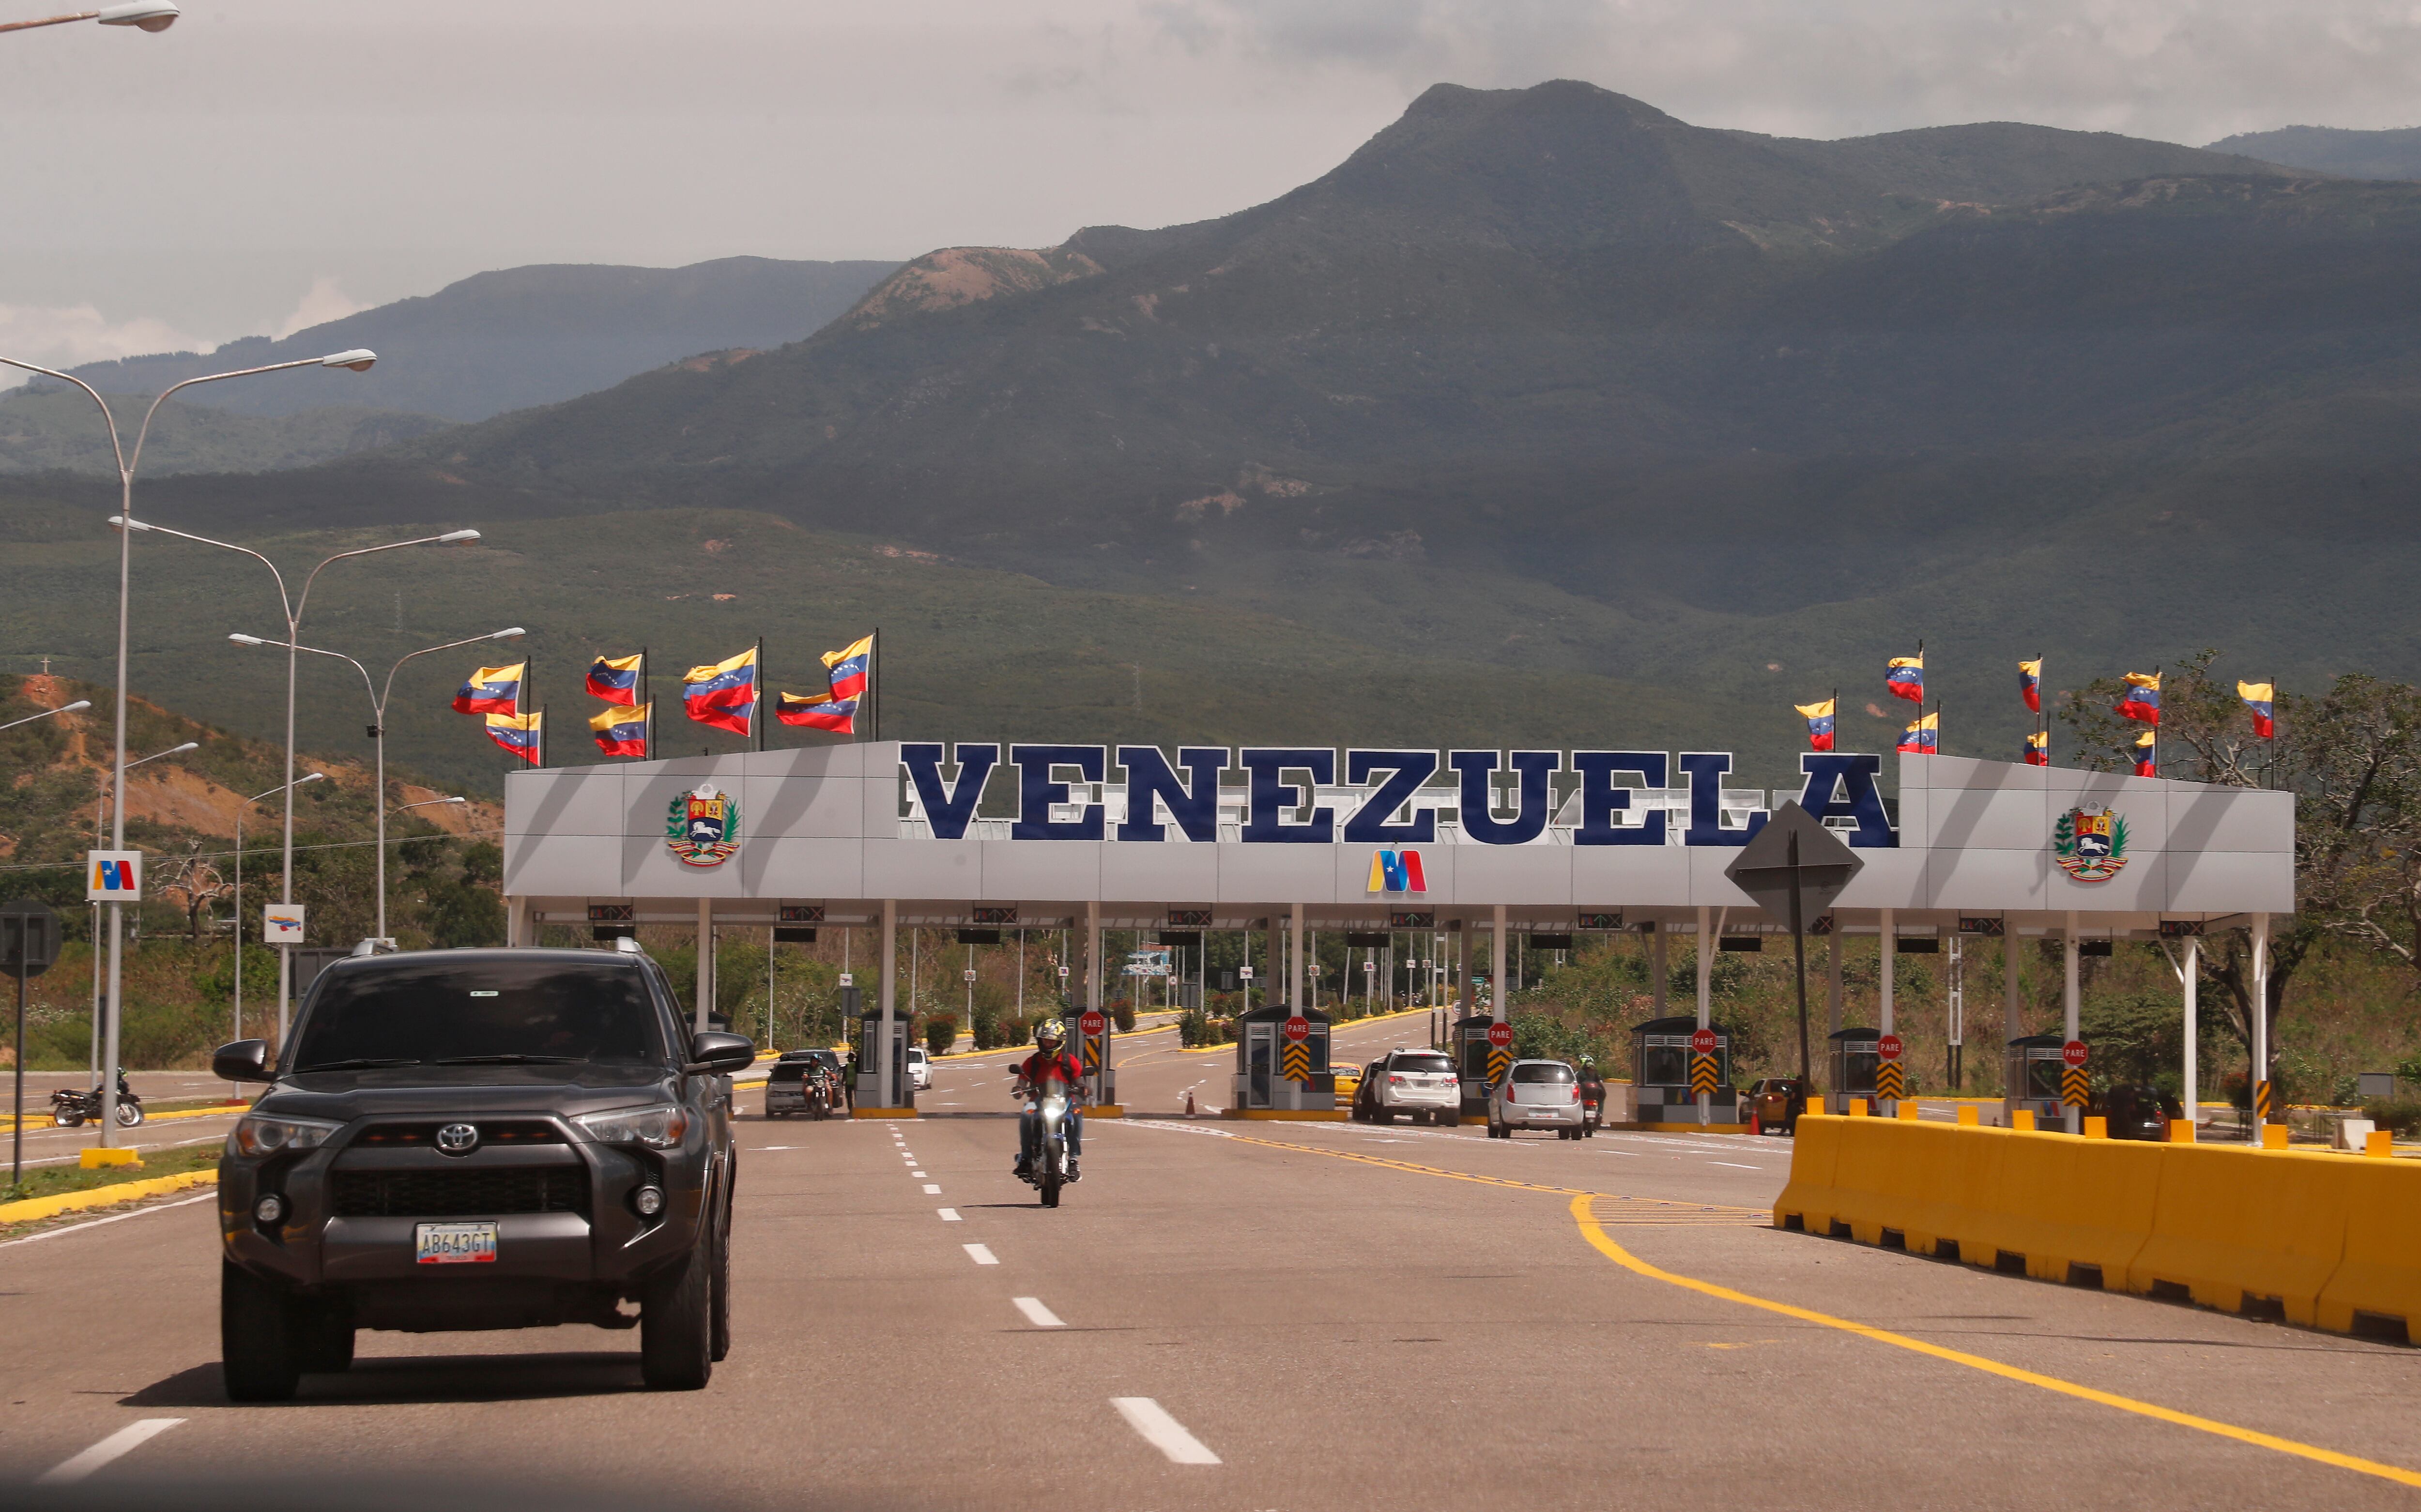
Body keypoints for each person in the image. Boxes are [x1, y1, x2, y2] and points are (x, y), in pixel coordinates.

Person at [1011, 1019, 1086, 1181]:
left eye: (1052, 1041)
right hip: (1037, 1102)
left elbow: (1079, 1079)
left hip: (1065, 1102)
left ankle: (1073, 1159)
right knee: (1026, 1113)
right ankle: (1025, 1157)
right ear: (1040, 1041)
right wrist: (1019, 1089)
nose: (1049, 1044)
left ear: (1060, 1042)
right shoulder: (1033, 1061)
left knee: (1078, 1113)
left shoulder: (1069, 1061)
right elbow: (1022, 1079)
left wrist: (1083, 1088)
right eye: (1046, 1040)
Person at [1576, 1054, 1606, 1135]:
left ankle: (1599, 1113)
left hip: (1587, 1095)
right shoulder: (1595, 1072)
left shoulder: (1580, 1073)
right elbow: (1600, 1082)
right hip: (1593, 1095)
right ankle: (1599, 1113)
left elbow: (1576, 1082)